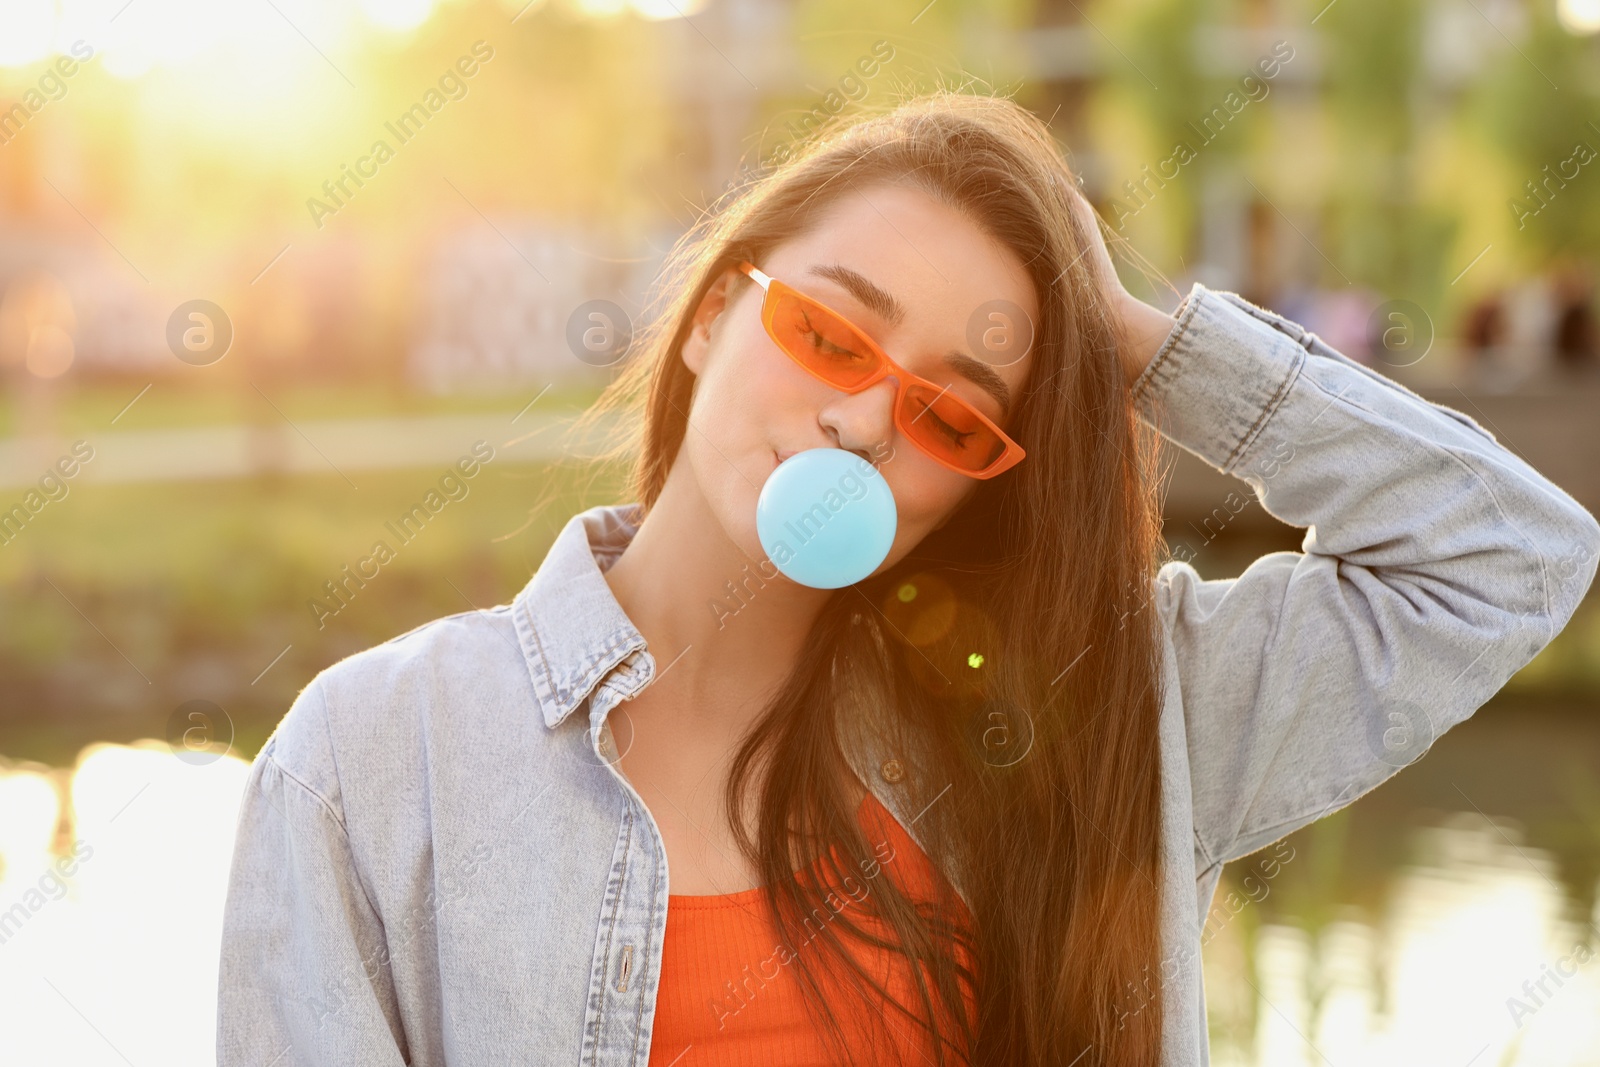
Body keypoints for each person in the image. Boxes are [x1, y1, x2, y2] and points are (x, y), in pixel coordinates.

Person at [215, 92, 1600, 1067]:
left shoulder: (1089, 721)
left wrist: (1137, 343)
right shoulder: (374, 760)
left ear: (967, 488)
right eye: (831, 331)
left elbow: (1505, 561)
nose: (869, 419)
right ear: (710, 316)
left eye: (953, 412)